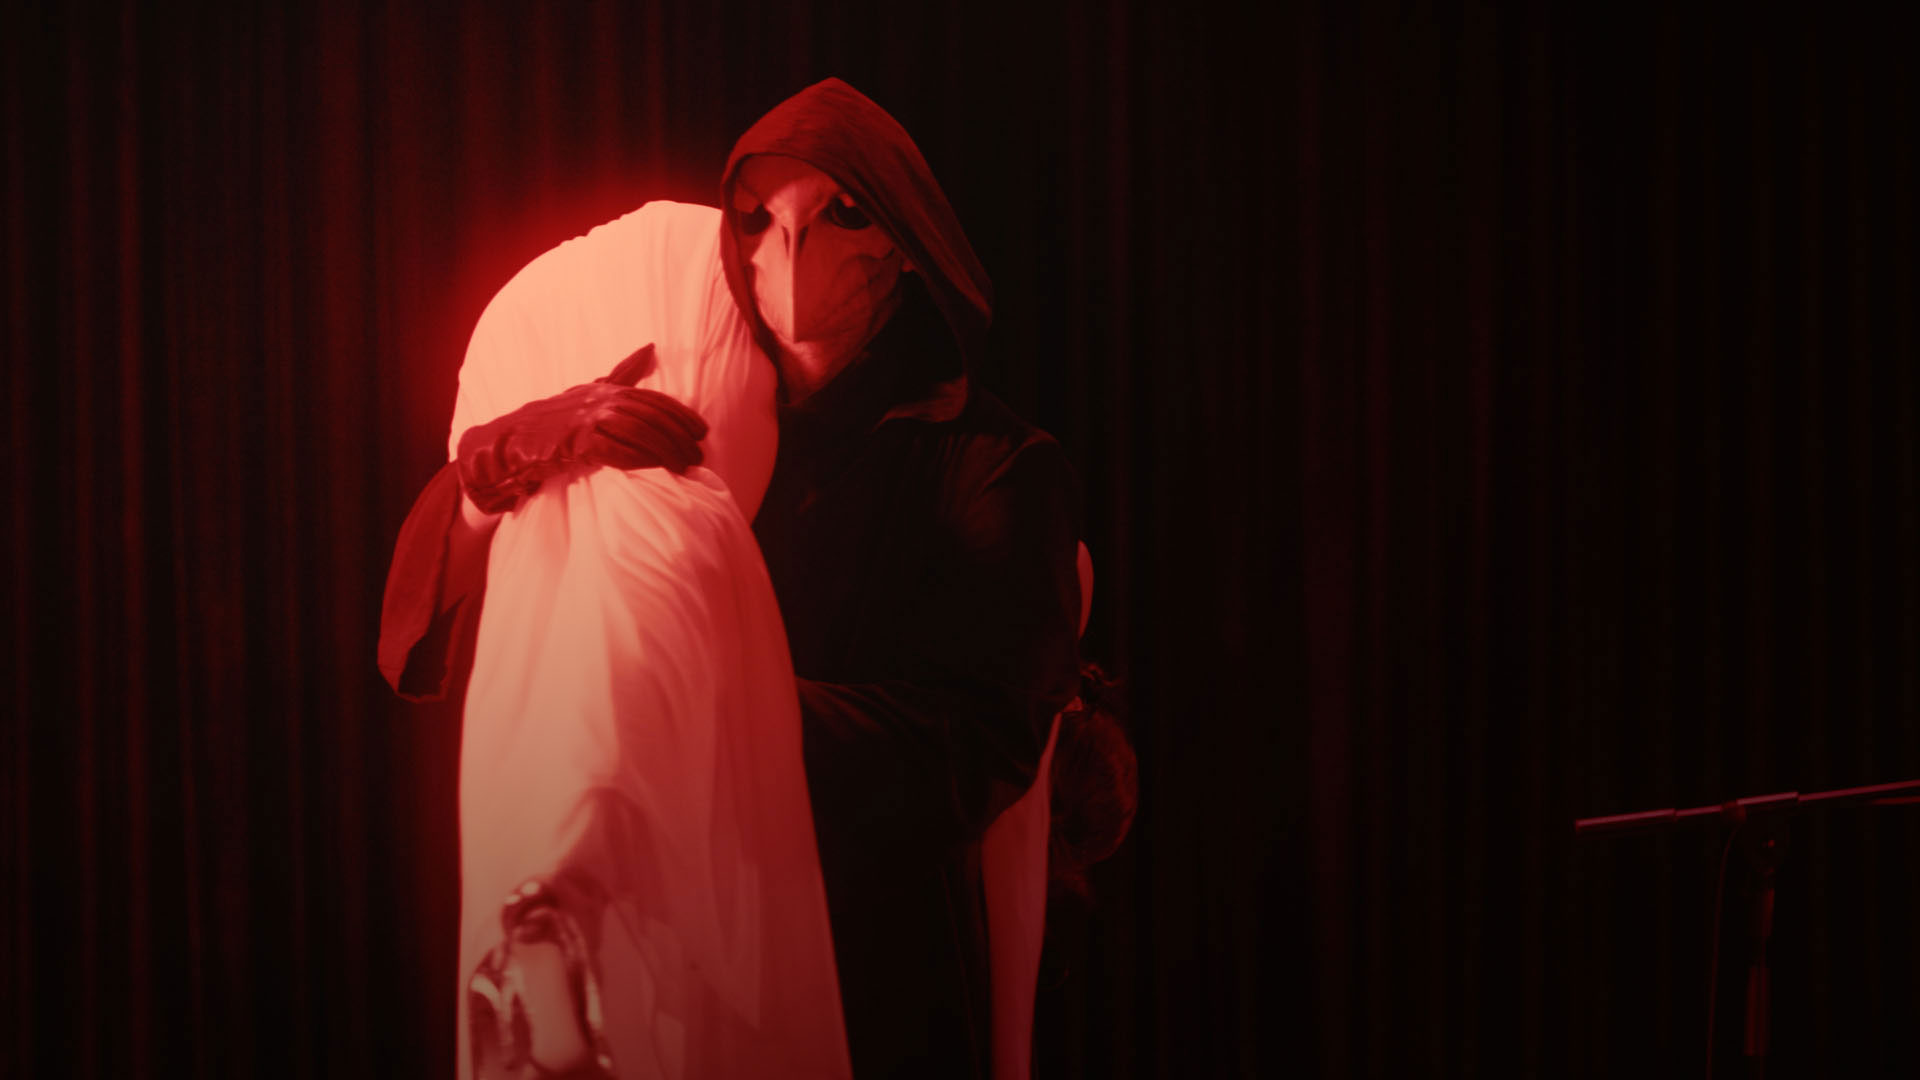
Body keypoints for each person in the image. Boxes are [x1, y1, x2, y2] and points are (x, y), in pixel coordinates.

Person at [381, 77, 1089, 1078]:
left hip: (873, 955)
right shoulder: (693, 404)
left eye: (842, 213)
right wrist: (500, 467)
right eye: (759, 219)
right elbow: (426, 617)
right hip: (669, 957)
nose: (791, 253)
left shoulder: (990, 463)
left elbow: (978, 744)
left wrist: (714, 711)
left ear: (902, 239)